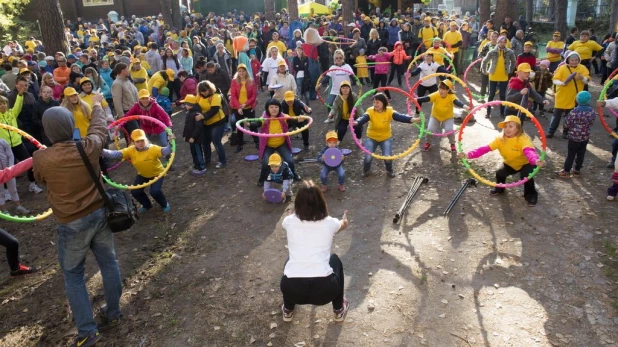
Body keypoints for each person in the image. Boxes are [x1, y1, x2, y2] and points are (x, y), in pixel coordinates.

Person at [33, 95, 122, 347]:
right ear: (72, 124)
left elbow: (40, 180)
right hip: (100, 215)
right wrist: (95, 106)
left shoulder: (41, 158)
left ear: (47, 131)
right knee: (109, 263)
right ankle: (114, 314)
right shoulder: (89, 146)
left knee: (73, 276)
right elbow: (99, 128)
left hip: (70, 224)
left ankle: (87, 331)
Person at [280, 180, 349, 322]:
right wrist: (345, 220)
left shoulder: (289, 221)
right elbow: (343, 225)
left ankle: (288, 309)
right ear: (321, 202)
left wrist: (289, 214)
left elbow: (287, 221)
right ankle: (338, 309)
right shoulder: (330, 222)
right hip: (324, 291)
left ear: (297, 203)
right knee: (335, 259)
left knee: (290, 262)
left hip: (292, 290)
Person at [458, 115, 545, 206]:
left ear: (518, 129)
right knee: (500, 173)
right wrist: (468, 155)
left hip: (527, 163)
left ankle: (531, 195)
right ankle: (500, 188)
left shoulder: (523, 139)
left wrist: (536, 160)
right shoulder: (500, 139)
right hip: (510, 163)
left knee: (526, 176)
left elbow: (529, 152)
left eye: (511, 126)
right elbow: (484, 149)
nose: (507, 129)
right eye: (505, 126)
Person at [102, 129, 173, 213]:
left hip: (157, 174)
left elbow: (166, 151)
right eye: (137, 141)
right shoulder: (130, 150)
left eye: (142, 140)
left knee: (155, 192)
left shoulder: (153, 148)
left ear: (145, 140)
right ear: (133, 142)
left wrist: (170, 142)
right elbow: (115, 154)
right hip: (143, 174)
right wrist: (101, 150)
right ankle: (147, 205)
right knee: (135, 192)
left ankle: (164, 204)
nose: (140, 143)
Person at [354, 93, 419, 177]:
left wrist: (412, 119)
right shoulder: (370, 111)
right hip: (372, 137)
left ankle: (390, 171)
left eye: (377, 102)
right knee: (368, 157)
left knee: (387, 157)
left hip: (385, 138)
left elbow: (400, 117)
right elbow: (364, 118)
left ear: (383, 103)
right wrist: (357, 122)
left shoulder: (389, 111)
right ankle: (365, 171)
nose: (375, 104)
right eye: (374, 102)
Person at [0, 80, 43, 194]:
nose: (3, 105)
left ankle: (32, 184)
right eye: (0, 103)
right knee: (6, 169)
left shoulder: (12, 113)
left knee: (29, 162)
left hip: (17, 143)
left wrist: (20, 94)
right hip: (4, 147)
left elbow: (18, 105)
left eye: (4, 103)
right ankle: (6, 191)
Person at [253, 99, 300, 186]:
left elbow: (292, 120)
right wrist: (249, 124)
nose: (274, 109)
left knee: (290, 160)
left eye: (276, 107)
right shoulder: (264, 118)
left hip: (281, 144)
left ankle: (293, 174)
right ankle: (262, 179)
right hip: (268, 145)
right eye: (271, 107)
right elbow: (256, 124)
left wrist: (299, 120)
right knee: (265, 163)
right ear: (267, 108)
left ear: (279, 108)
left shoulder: (283, 117)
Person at [417, 80, 471, 152]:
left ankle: (452, 144)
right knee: (429, 130)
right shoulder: (436, 94)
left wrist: (465, 106)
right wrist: (416, 99)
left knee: (449, 130)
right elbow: (427, 98)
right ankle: (428, 143)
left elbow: (457, 102)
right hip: (435, 116)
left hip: (447, 118)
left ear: (448, 90)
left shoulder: (451, 96)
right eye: (440, 88)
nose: (441, 90)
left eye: (443, 89)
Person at [548, 51, 590, 138]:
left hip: (574, 97)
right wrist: (561, 83)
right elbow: (555, 79)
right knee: (556, 115)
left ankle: (566, 132)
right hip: (561, 95)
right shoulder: (562, 68)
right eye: (572, 60)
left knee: (570, 116)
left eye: (576, 60)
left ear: (579, 60)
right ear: (568, 60)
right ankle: (551, 131)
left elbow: (587, 81)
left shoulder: (582, 68)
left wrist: (582, 78)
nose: (574, 62)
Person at [554, 91, 595, 178]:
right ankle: (577, 170)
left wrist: (567, 128)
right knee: (581, 153)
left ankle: (566, 171)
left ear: (577, 100)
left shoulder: (574, 111)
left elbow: (567, 123)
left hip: (574, 137)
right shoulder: (591, 111)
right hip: (585, 136)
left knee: (571, 154)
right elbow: (591, 122)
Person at [481, 36, 517, 118]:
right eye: (501, 42)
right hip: (493, 75)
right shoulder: (492, 52)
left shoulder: (510, 52)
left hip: (503, 76)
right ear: (498, 42)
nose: (502, 43)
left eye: (504, 42)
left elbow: (514, 61)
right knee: (491, 94)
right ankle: (488, 112)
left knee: (502, 95)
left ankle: (502, 113)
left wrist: (510, 70)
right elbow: (484, 61)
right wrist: (484, 71)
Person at [195, 80, 227, 169]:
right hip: (205, 123)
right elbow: (195, 106)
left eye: (205, 91)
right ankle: (207, 160)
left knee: (216, 141)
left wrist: (203, 116)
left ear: (209, 89)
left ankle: (222, 160)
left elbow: (214, 110)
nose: (203, 93)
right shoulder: (199, 96)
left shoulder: (216, 96)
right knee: (205, 143)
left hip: (218, 122)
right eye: (201, 91)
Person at [229, 64, 258, 152]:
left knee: (252, 125)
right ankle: (240, 144)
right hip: (238, 108)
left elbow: (254, 95)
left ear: (246, 71)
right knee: (240, 127)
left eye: (243, 71)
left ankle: (257, 142)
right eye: (240, 71)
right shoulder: (234, 81)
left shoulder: (251, 81)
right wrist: (238, 107)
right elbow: (233, 96)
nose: (241, 73)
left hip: (248, 107)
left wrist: (245, 104)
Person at [0, 138, 30, 215]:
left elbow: (10, 155)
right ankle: (4, 210)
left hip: (8, 171)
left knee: (13, 189)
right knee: (0, 192)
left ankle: (18, 206)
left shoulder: (3, 141)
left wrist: (10, 169)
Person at [180, 94, 206, 175]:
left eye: (185, 104)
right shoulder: (188, 113)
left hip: (196, 139)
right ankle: (196, 165)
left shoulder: (196, 114)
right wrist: (185, 135)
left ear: (190, 105)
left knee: (198, 152)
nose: (184, 105)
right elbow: (186, 125)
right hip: (190, 138)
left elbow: (198, 128)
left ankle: (201, 167)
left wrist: (193, 137)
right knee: (193, 152)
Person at [111, 63, 139, 136]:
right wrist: (121, 116)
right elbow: (117, 100)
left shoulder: (128, 80)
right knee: (133, 135)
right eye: (127, 69)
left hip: (135, 111)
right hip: (127, 113)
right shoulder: (117, 83)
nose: (128, 71)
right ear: (122, 71)